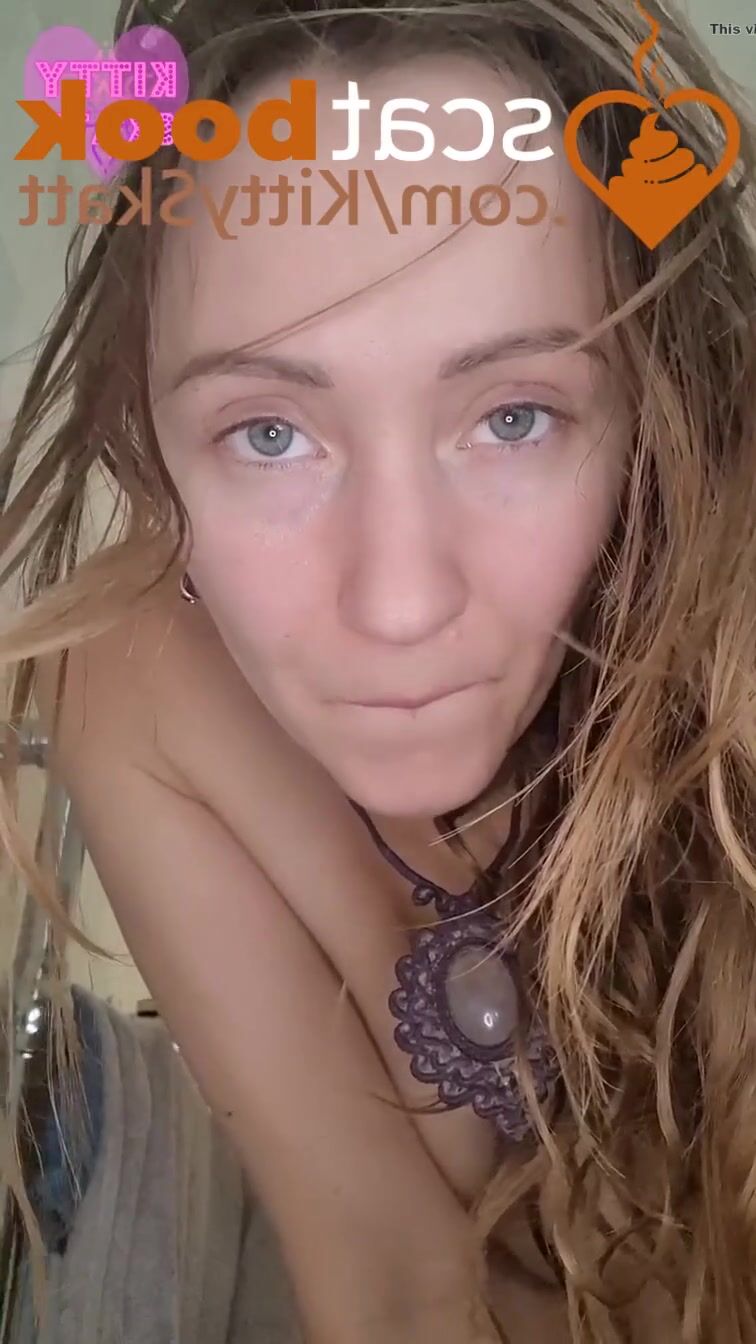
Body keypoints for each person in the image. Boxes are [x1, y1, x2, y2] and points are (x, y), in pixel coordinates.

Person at [1, 0, 755, 1339]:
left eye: (514, 417)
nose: (400, 604)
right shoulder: (136, 686)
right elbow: (391, 1288)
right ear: (144, 427)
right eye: (270, 434)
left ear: (655, 407)